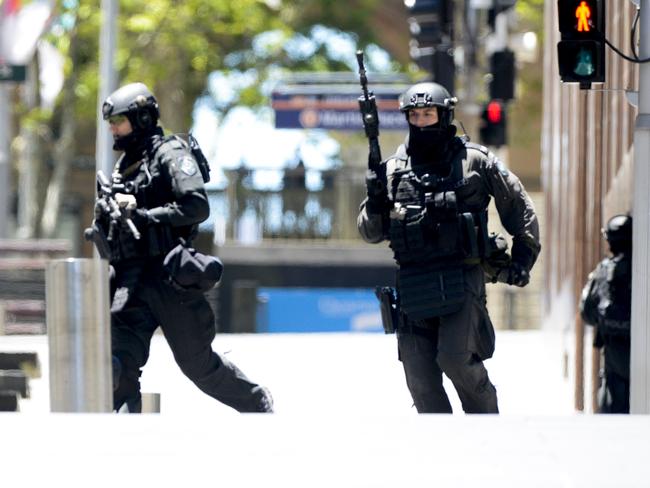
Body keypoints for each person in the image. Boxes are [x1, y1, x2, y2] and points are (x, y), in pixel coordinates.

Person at [89, 82, 273, 413]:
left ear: (142, 118)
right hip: (129, 279)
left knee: (198, 366)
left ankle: (256, 403)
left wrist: (143, 214)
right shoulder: (123, 166)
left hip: (167, 276)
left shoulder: (169, 154)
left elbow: (197, 206)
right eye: (111, 123)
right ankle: (121, 435)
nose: (114, 129)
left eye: (119, 121)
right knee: (118, 366)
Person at [358, 82, 540, 413]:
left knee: (456, 360)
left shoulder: (474, 160)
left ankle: (486, 425)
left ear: (445, 116)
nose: (422, 121)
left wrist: (523, 257)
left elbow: (517, 205)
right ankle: (440, 451)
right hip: (413, 284)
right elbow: (370, 232)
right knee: (420, 381)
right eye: (415, 115)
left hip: (461, 278)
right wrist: (374, 202)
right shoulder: (393, 171)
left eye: (428, 114)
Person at [579, 214, 632, 413]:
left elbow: (587, 312)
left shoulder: (604, 270)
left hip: (613, 350)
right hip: (639, 348)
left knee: (614, 408)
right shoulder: (643, 269)